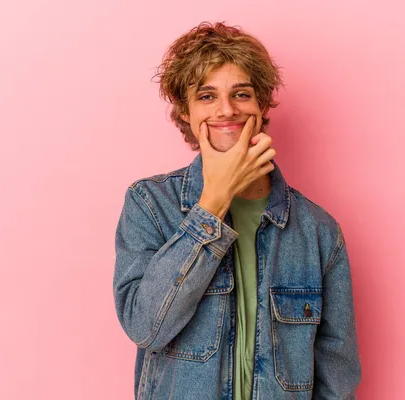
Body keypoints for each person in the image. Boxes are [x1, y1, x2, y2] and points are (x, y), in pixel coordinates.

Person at [113, 21, 361, 400]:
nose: (226, 110)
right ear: (185, 112)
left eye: (241, 94)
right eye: (206, 96)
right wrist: (213, 201)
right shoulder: (150, 205)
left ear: (261, 106)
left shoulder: (318, 231)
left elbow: (337, 374)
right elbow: (145, 327)